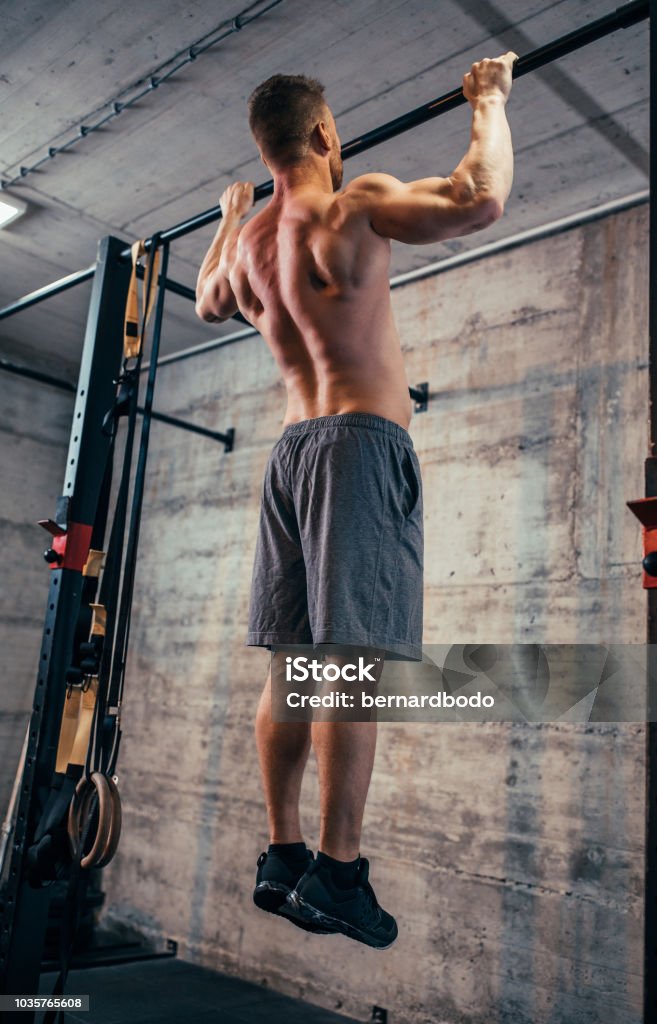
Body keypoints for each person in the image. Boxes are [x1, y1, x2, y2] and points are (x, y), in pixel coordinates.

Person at [195, 53, 516, 949]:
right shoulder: (351, 202)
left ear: (265, 154)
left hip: (289, 453)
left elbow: (205, 304)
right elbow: (477, 197)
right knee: (352, 666)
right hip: (359, 446)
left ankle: (282, 852)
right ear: (326, 135)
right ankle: (338, 874)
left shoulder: (252, 245)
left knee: (290, 666)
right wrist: (487, 101)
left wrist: (226, 221)